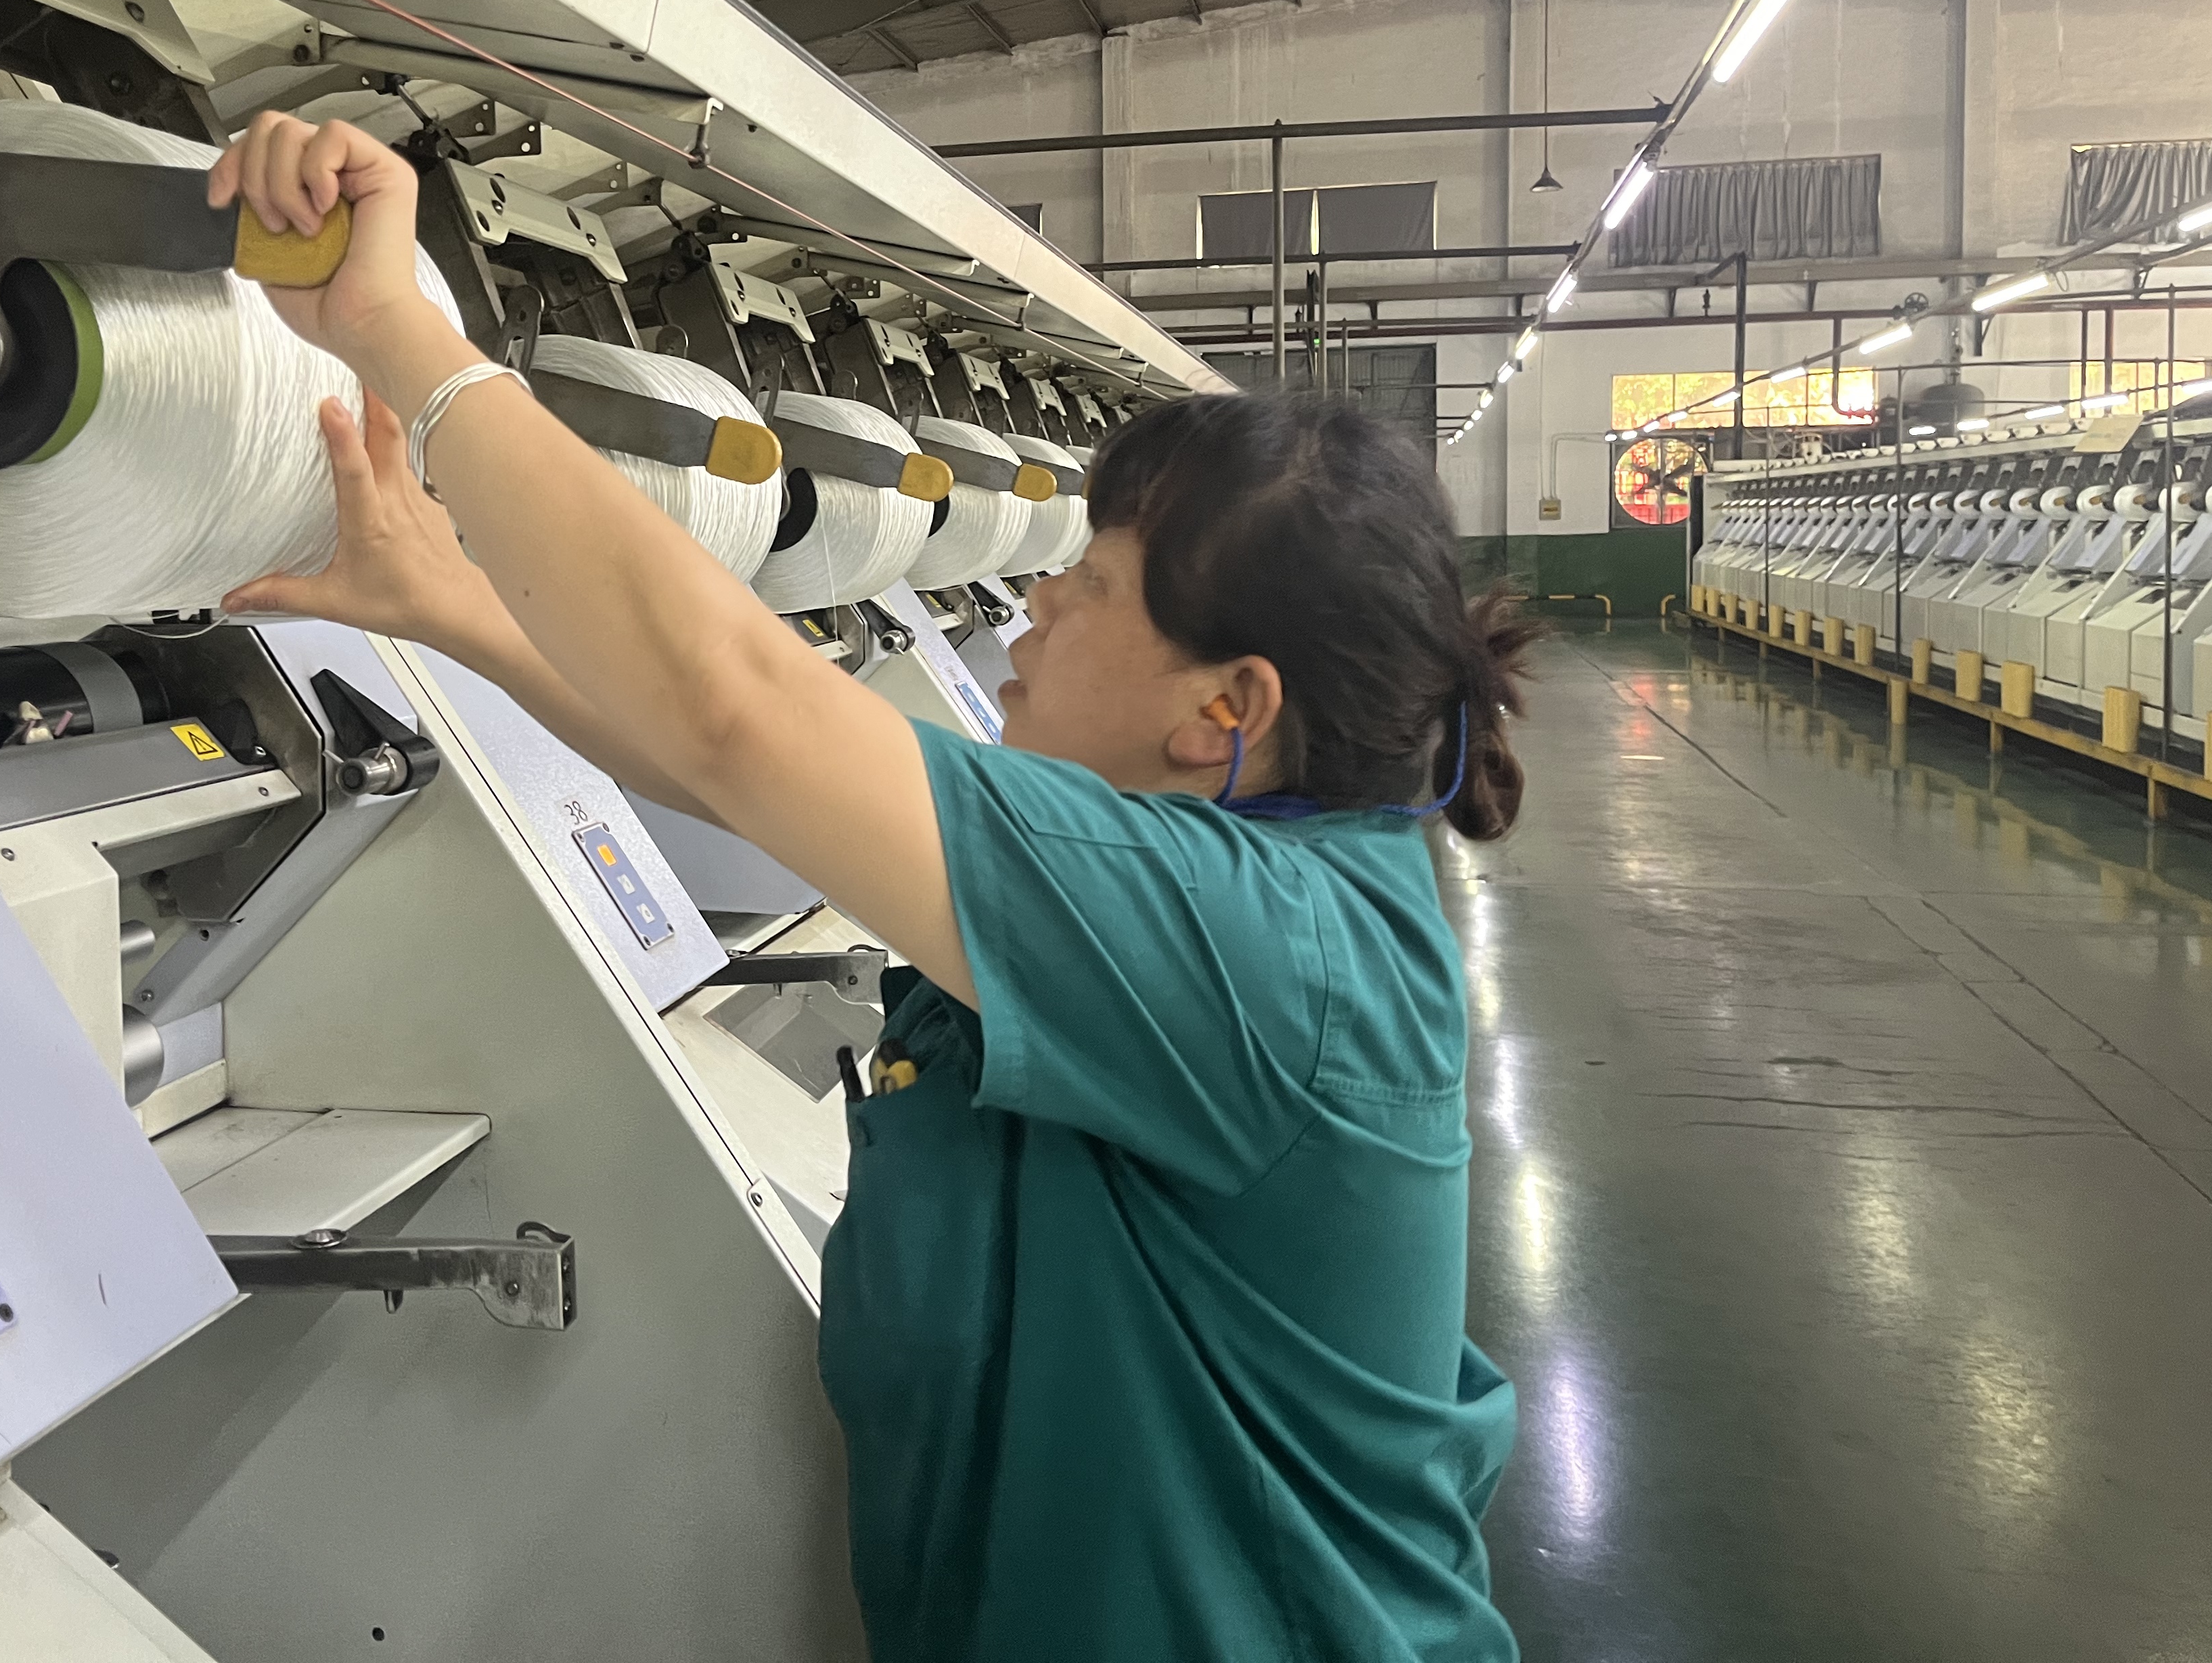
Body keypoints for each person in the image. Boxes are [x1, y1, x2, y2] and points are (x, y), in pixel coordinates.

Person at [208, 112, 1532, 1663]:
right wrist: (456, 605)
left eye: (1093, 585)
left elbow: (741, 714)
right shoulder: (1222, 874)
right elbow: (737, 773)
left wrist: (398, 336)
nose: (1038, 604)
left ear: (1225, 708)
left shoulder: (1264, 951)